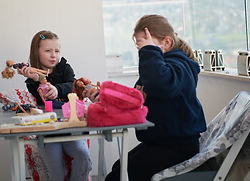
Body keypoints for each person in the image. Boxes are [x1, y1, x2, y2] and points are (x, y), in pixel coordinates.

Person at [85, 14, 207, 181]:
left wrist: (150, 51)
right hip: (159, 141)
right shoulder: (156, 67)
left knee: (116, 177)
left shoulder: (181, 66)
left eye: (144, 46)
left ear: (167, 42)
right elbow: (136, 98)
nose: (141, 52)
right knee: (119, 168)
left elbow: (162, 84)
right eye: (139, 47)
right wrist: (104, 97)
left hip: (178, 146)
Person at [17, 30, 92, 181]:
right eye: (48, 51)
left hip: (71, 130)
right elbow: (39, 95)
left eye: (57, 51)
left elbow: (72, 84)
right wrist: (37, 79)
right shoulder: (32, 78)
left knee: (84, 160)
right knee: (56, 174)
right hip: (49, 133)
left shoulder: (65, 68)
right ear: (36, 53)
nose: (54, 55)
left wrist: (56, 89)